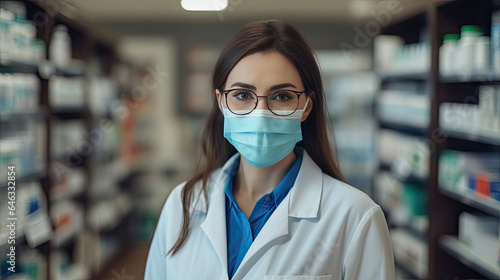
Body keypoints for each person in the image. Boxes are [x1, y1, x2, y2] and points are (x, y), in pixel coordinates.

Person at [144, 19, 395, 280]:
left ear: (306, 106)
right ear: (221, 102)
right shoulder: (182, 205)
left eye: (282, 96)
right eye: (242, 95)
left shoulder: (355, 215)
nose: (261, 114)